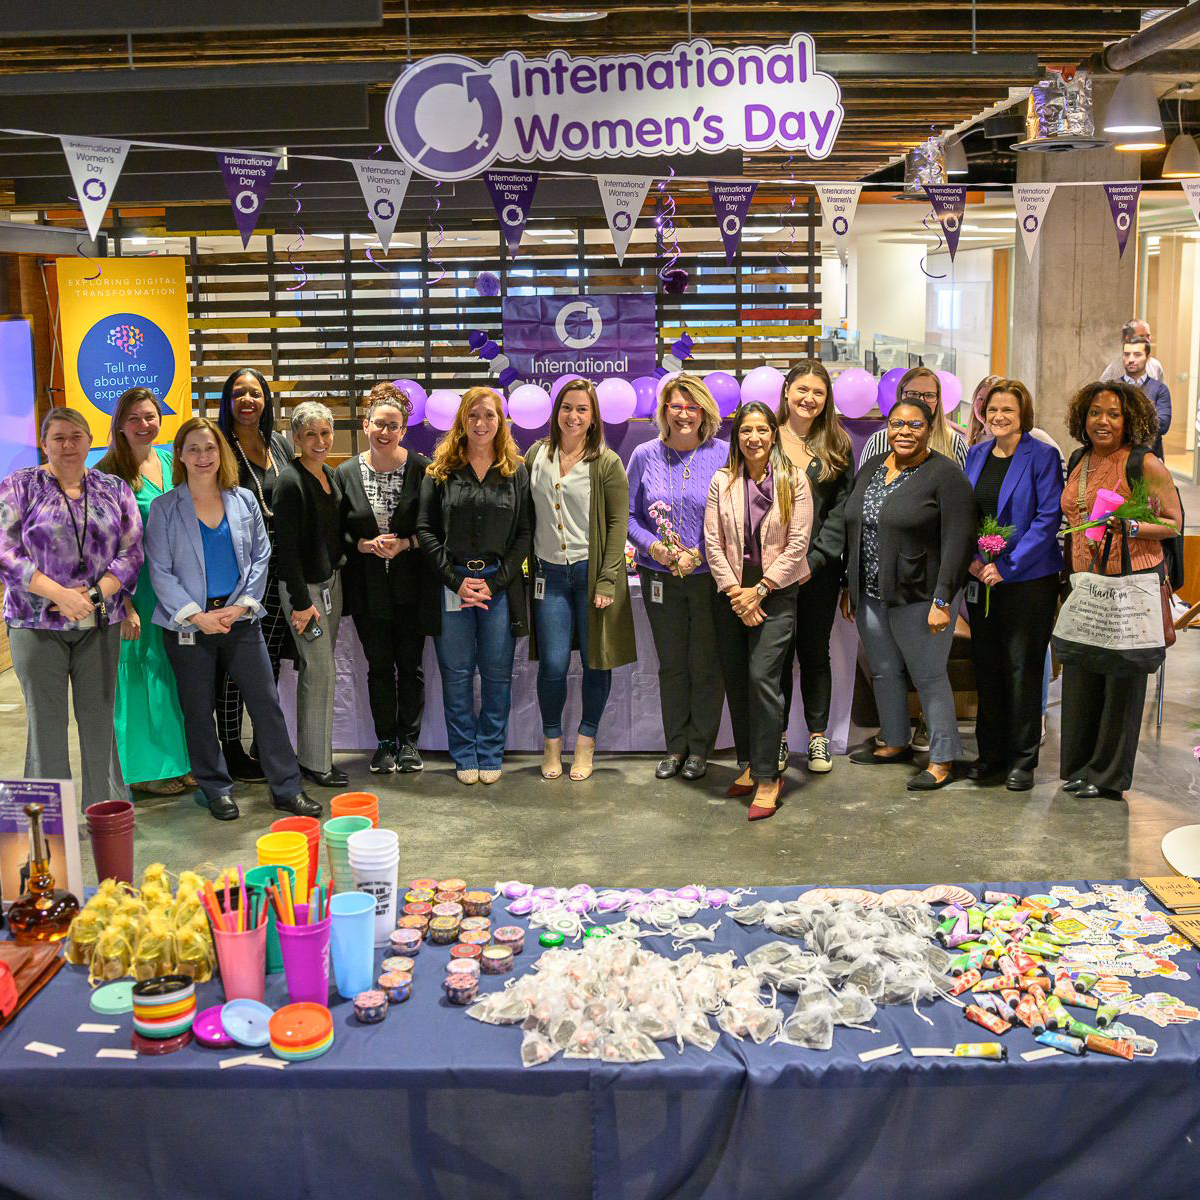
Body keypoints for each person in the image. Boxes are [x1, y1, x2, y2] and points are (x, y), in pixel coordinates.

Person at [145, 417, 318, 822]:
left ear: (220, 452)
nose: (203, 457)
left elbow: (261, 557)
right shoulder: (165, 508)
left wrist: (240, 607)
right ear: (181, 457)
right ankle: (215, 788)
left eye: (209, 448)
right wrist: (197, 616)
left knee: (265, 703)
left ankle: (287, 788)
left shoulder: (242, 499)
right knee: (197, 709)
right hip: (189, 625)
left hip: (241, 619)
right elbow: (160, 571)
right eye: (193, 449)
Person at [0, 408, 141, 811]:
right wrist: (60, 595)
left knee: (99, 723)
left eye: (76, 436)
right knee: (46, 726)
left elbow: (131, 552)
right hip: (35, 623)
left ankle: (105, 814)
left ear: (90, 440)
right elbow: (6, 551)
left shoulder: (113, 488)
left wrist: (95, 596)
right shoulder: (20, 485)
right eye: (58, 437)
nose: (68, 445)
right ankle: (47, 826)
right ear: (44, 443)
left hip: (99, 623)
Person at [843, 396, 975, 790]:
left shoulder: (945, 476)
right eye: (897, 424)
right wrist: (847, 585)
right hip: (869, 592)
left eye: (914, 425)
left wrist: (943, 600)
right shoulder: (871, 467)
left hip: (921, 597)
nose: (904, 432)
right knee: (883, 671)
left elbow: (958, 541)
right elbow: (854, 526)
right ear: (888, 427)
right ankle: (895, 741)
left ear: (929, 429)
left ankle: (943, 757)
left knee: (929, 676)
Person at [1059, 381, 1181, 800]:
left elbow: (1173, 524)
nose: (1103, 421)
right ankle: (1080, 767)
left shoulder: (1144, 464)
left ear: (1129, 419)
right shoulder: (1079, 459)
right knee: (1083, 674)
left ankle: (1108, 777)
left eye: (1113, 414)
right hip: (1086, 583)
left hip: (1129, 586)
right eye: (1095, 412)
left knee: (1121, 681)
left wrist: (1131, 526)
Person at [416, 387, 531, 785]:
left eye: (489, 416)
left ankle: (491, 751)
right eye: (474, 416)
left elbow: (524, 534)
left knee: (497, 675)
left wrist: (495, 583)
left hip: (498, 586)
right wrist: (456, 580)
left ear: (502, 421)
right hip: (453, 585)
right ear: (462, 421)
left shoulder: (515, 471)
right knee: (457, 674)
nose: (481, 423)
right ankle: (465, 752)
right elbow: (425, 530)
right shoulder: (440, 472)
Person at [705, 402, 813, 820]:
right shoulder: (722, 481)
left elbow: (798, 543)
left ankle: (769, 776)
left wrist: (761, 590)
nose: (754, 438)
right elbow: (712, 542)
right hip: (732, 591)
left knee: (761, 677)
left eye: (762, 430)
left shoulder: (795, 481)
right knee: (736, 679)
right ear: (738, 437)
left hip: (777, 590)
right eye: (746, 430)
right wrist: (736, 591)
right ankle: (749, 765)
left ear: (773, 434)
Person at [526, 379, 636, 782]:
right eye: (567, 408)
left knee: (596, 662)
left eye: (582, 410)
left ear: (593, 418)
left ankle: (586, 742)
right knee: (553, 664)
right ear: (557, 412)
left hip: (591, 576)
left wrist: (607, 580)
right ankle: (552, 743)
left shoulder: (605, 462)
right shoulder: (536, 455)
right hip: (548, 576)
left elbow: (617, 523)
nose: (573, 416)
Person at [962, 379, 1064, 791]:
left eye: (1008, 410)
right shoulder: (977, 453)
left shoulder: (1041, 455)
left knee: (1022, 669)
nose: (999, 417)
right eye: (993, 410)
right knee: (987, 669)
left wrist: (1009, 566)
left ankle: (1022, 759)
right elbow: (966, 512)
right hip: (982, 578)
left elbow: (1048, 518)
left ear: (1023, 416)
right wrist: (972, 560)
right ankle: (990, 755)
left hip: (1028, 581)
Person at [626, 373, 729, 782]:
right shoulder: (643, 455)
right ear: (664, 411)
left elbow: (732, 519)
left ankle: (701, 748)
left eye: (692, 406)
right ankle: (676, 746)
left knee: (706, 663)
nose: (684, 414)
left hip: (709, 576)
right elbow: (629, 516)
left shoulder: (724, 454)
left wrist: (699, 554)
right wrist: (655, 549)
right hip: (659, 575)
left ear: (704, 411)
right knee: (672, 664)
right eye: (676, 406)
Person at [95, 388, 192, 796]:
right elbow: (98, 549)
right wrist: (123, 605)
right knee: (137, 676)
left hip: (174, 587)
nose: (144, 425)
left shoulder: (172, 461)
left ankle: (178, 761)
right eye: (134, 418)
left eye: (150, 416)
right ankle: (144, 771)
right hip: (134, 591)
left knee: (172, 675)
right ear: (119, 423)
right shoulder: (106, 475)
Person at [337, 383, 436, 775]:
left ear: (404, 430)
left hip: (412, 587)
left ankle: (409, 742)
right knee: (379, 667)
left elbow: (435, 528)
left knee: (410, 666)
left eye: (393, 426)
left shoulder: (423, 469)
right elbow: (336, 531)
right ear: (366, 425)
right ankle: (383, 743)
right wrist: (361, 545)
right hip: (367, 590)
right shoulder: (344, 472)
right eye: (379, 424)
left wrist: (408, 543)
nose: (385, 432)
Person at [215, 367, 294, 782]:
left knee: (270, 662)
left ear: (266, 400)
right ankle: (230, 747)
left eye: (256, 393)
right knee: (235, 664)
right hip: (238, 573)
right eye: (239, 393)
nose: (248, 400)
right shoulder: (218, 445)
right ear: (228, 401)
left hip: (280, 567)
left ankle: (262, 741)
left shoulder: (278, 443)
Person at [775, 359, 854, 775]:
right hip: (771, 572)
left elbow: (841, 514)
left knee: (814, 654)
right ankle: (780, 740)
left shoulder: (837, 446)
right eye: (802, 389)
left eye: (818, 393)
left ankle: (818, 737)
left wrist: (814, 561)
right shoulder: (764, 438)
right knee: (778, 655)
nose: (809, 398)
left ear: (827, 400)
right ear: (787, 390)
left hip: (818, 572)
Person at [272, 401, 346, 789]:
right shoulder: (290, 481)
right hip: (304, 594)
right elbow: (285, 548)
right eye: (311, 434)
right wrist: (301, 603)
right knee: (320, 673)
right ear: (296, 438)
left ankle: (312, 756)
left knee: (319, 674)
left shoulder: (330, 475)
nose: (320, 441)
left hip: (330, 586)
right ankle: (317, 764)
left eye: (326, 433)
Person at [858, 367, 968, 470]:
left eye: (929, 395)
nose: (921, 401)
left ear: (938, 400)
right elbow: (861, 487)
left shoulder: (955, 444)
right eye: (913, 394)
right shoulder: (877, 442)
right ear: (900, 396)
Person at [1117, 335, 1171, 459]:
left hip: (1150, 457)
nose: (1130, 359)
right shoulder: (1112, 388)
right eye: (1126, 354)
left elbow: (1162, 425)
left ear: (1147, 358)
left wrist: (1122, 420)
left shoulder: (1160, 389)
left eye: (1137, 354)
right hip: (1117, 457)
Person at [1100, 319, 1164, 383]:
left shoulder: (1155, 366)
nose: (1146, 340)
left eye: (1148, 336)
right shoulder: (1115, 370)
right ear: (1127, 338)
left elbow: (1162, 390)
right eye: (1141, 336)